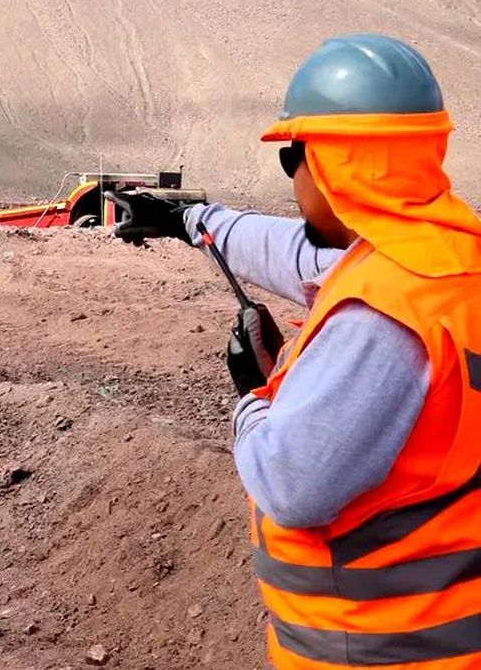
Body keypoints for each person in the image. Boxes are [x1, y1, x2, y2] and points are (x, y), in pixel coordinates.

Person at [109, 34, 481, 669]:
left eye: (292, 159)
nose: (292, 180)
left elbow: (293, 482)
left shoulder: (381, 319)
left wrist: (254, 396)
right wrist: (194, 221)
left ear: (334, 162)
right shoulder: (450, 259)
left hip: (378, 648)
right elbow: (302, 254)